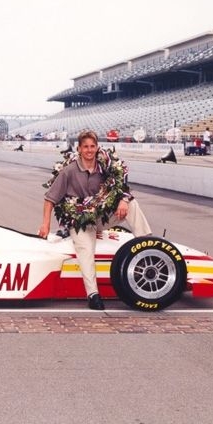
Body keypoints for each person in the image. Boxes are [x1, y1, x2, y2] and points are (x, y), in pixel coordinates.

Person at [38, 129, 151, 310]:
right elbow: (49, 199)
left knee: (132, 204)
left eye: (92, 146)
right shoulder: (69, 171)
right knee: (86, 251)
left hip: (100, 216)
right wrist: (45, 225)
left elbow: (122, 185)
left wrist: (123, 199)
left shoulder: (106, 166)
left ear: (97, 147)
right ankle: (93, 294)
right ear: (79, 149)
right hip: (79, 220)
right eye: (86, 147)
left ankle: (148, 246)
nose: (89, 150)